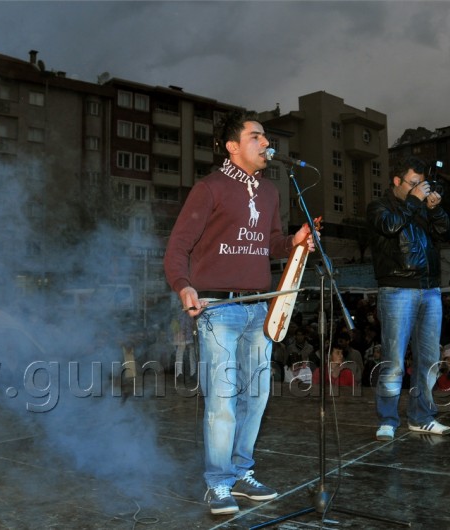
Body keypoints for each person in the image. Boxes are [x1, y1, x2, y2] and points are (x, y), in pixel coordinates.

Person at [163, 110, 314, 515]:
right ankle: (217, 482)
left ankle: (241, 471)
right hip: (218, 308)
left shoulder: (268, 192)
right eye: (256, 137)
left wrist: (294, 241)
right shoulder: (209, 188)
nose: (266, 143)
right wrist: (184, 285)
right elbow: (177, 248)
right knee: (224, 397)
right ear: (233, 146)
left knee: (258, 394)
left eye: (265, 137)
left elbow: (271, 243)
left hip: (257, 308)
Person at [366, 156, 450, 441]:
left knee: (428, 359)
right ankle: (388, 419)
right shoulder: (379, 207)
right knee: (393, 360)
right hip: (397, 289)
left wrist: (436, 210)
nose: (420, 189)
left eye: (422, 184)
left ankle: (421, 416)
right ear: (397, 181)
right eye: (414, 183)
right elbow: (389, 227)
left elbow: (446, 234)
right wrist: (414, 202)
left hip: (429, 289)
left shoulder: (421, 206)